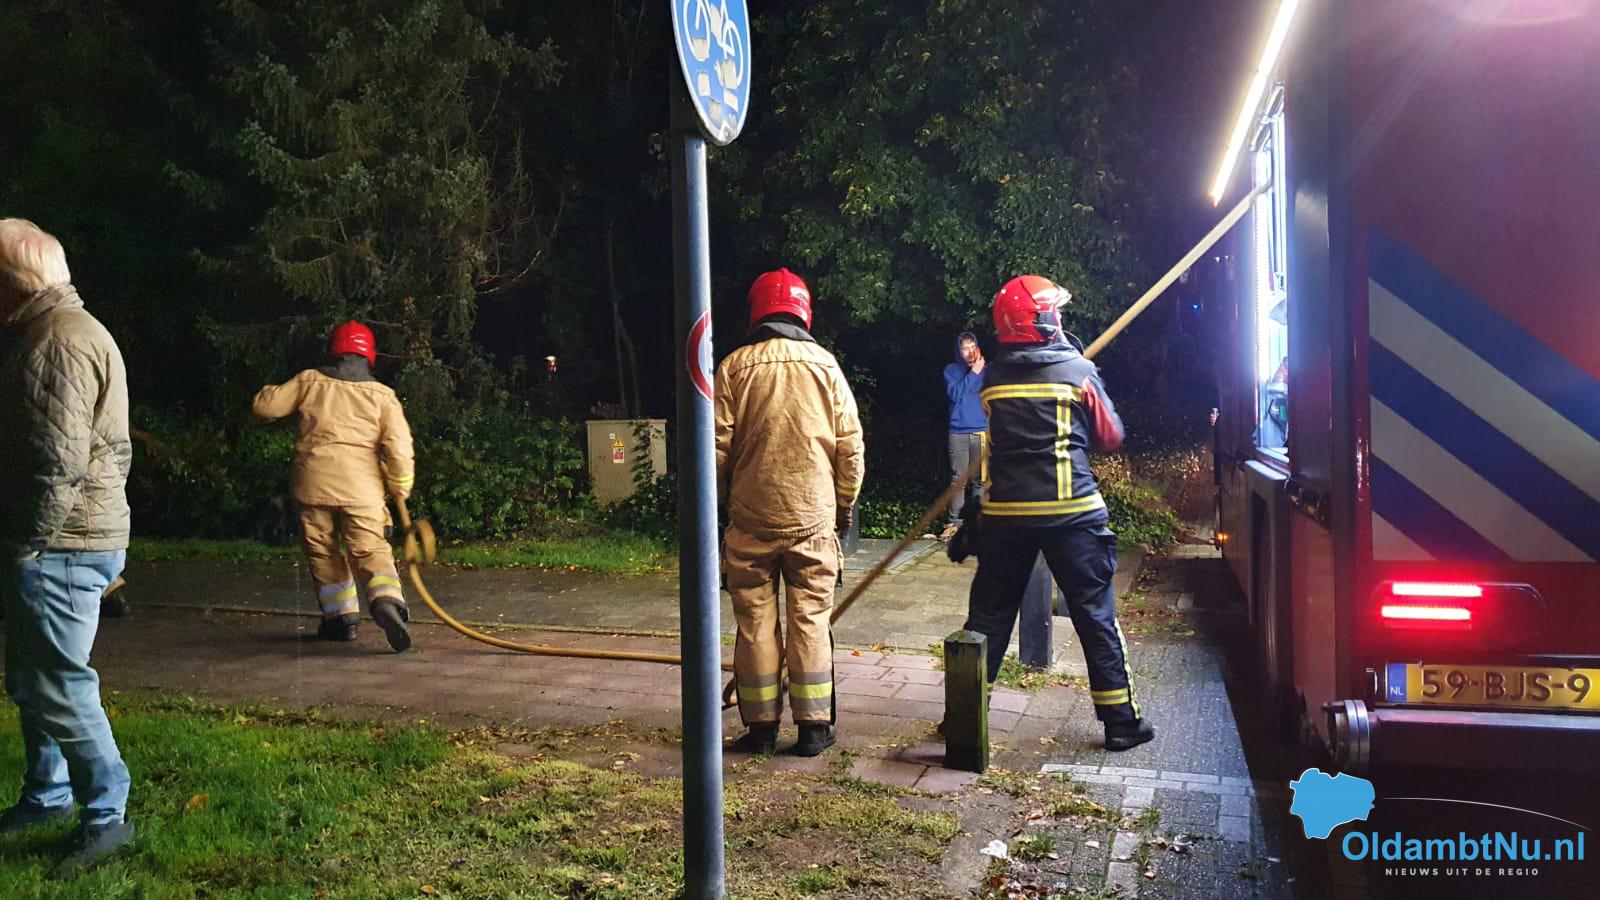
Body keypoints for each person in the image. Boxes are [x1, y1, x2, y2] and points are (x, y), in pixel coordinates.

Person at [961, 275, 1155, 751]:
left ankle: (963, 721)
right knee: (1094, 614)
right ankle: (1121, 723)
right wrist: (1081, 377)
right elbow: (1110, 436)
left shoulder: (992, 380)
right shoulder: (1077, 372)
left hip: (1006, 517)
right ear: (1044, 321)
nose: (1063, 319)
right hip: (1073, 515)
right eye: (1057, 313)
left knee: (988, 617)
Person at [0, 218, 136, 873]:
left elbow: (56, 466)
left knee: (57, 683)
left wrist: (25, 545)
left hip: (61, 543)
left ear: (10, 284)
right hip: (70, 538)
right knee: (35, 680)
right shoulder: (55, 331)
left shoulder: (56, 342)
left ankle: (107, 816)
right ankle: (47, 796)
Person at [716, 268, 865, 757]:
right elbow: (851, 449)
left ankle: (760, 730)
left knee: (755, 623)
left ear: (757, 312)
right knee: (811, 620)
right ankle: (814, 729)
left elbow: (714, 449)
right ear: (804, 313)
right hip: (814, 521)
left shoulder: (734, 368)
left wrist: (724, 503)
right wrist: (843, 507)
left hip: (750, 522)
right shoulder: (826, 367)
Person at [252, 322, 415, 652]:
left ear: (332, 351)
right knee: (370, 549)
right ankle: (385, 599)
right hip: (362, 490)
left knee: (322, 551)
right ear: (369, 356)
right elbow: (399, 446)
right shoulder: (382, 396)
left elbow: (265, 407)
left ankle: (341, 619)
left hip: (312, 486)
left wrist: (270, 389)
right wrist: (401, 486)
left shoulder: (310, 381)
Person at [942, 331, 987, 540]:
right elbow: (955, 394)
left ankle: (979, 523)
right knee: (958, 480)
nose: (969, 352)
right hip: (958, 431)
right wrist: (974, 373)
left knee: (980, 480)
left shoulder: (987, 371)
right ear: (958, 351)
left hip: (981, 430)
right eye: (964, 348)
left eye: (972, 347)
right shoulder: (951, 370)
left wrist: (979, 371)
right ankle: (956, 524)